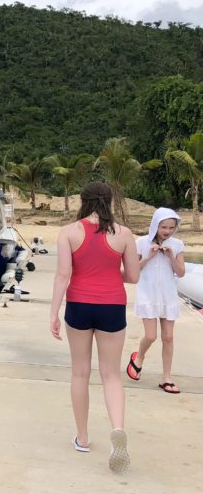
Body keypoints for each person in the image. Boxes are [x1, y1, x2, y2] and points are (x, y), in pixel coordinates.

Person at [49, 181, 139, 473]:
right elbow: (133, 277)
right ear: (110, 201)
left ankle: (83, 438)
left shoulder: (69, 233)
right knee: (112, 374)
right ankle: (117, 429)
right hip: (112, 306)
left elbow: (63, 275)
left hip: (79, 306)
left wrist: (53, 312)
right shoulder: (124, 234)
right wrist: (111, 271)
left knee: (80, 372)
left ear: (82, 200)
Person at [127, 208, 186, 393]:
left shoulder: (177, 244)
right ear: (155, 225)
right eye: (163, 227)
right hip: (148, 293)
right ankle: (139, 357)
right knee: (151, 335)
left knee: (168, 337)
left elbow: (181, 272)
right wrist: (148, 257)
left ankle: (167, 378)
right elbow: (132, 270)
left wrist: (170, 256)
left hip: (168, 295)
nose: (167, 231)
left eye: (171, 227)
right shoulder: (141, 242)